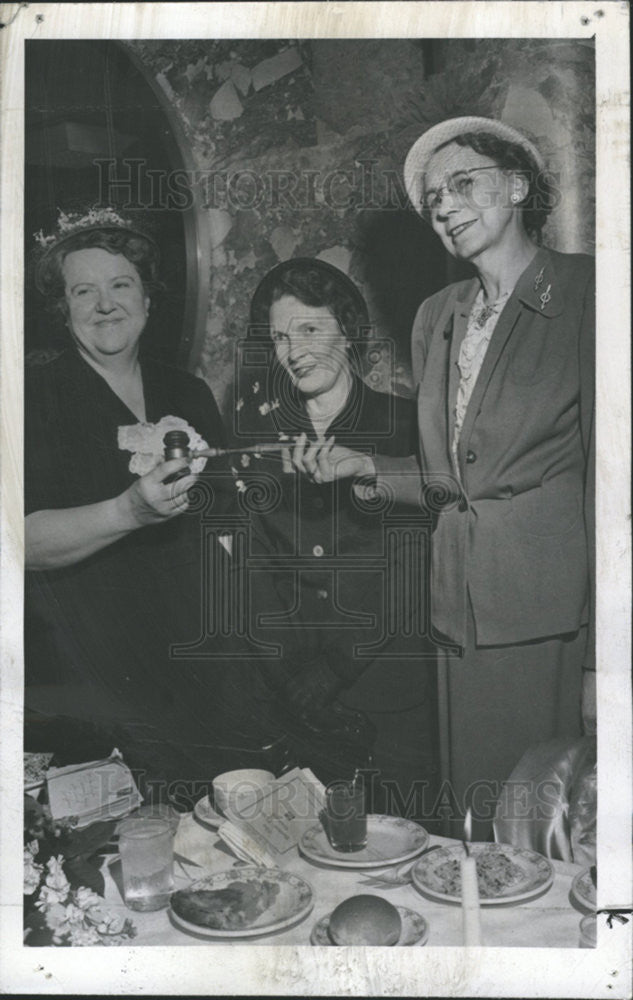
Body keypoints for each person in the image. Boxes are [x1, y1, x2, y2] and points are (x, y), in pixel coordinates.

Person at [289, 119, 595, 838]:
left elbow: (618, 485)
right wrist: (364, 468)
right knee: (471, 813)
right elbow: (446, 476)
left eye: (464, 184)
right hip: (453, 601)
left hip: (546, 610)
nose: (446, 207)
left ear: (517, 186)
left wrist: (612, 657)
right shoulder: (439, 315)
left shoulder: (587, 291)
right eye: (433, 200)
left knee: (539, 824)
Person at [220, 258, 440, 820]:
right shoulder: (260, 445)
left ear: (350, 334)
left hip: (388, 696)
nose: (294, 351)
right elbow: (255, 564)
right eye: (279, 337)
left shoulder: (407, 427)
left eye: (310, 329)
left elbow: (412, 564)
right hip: (295, 702)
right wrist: (290, 674)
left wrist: (336, 668)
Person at [25, 207, 233, 800]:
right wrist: (128, 512)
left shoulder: (186, 391)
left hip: (194, 662)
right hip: (87, 670)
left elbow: (222, 524)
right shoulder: (33, 398)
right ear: (62, 309)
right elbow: (21, 543)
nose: (105, 304)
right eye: (83, 291)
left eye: (120, 285)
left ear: (148, 298)